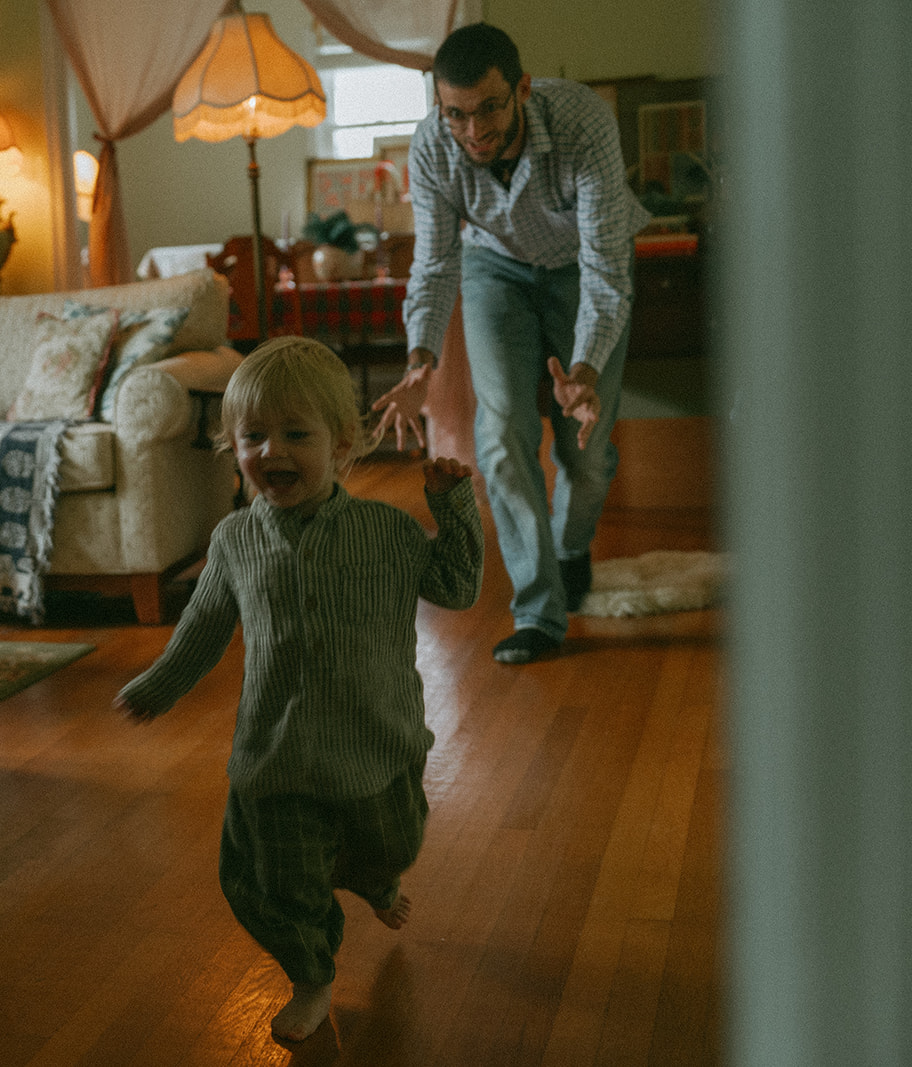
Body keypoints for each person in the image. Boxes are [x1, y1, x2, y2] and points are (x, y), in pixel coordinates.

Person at [114, 337, 483, 1044]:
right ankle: (311, 974)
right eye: (252, 436)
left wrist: (452, 504)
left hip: (376, 742)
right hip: (276, 753)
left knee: (390, 844)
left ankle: (374, 880)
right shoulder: (234, 541)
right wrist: (159, 685)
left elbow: (458, 585)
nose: (271, 450)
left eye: (295, 434)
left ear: (342, 445)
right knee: (275, 877)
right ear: (232, 447)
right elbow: (204, 627)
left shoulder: (386, 532)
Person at [371, 22, 653, 664]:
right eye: (456, 114)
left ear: (522, 89)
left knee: (585, 448)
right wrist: (420, 362)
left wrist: (584, 371)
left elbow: (606, 268)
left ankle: (571, 549)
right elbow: (434, 264)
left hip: (581, 266)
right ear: (440, 106)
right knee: (500, 434)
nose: (473, 130)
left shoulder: (581, 121)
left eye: (489, 109)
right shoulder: (432, 146)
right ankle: (538, 613)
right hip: (493, 268)